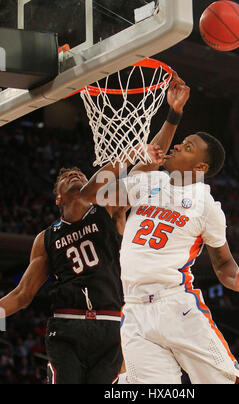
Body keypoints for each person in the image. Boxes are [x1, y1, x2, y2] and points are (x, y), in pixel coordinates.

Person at [0, 71, 187, 384]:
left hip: (110, 325)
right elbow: (21, 295)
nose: (75, 175)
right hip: (67, 325)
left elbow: (149, 163)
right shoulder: (45, 239)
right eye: (67, 177)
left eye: (79, 173)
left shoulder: (109, 206)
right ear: (58, 197)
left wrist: (174, 113)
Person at [95, 78, 239, 384]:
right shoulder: (149, 183)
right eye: (181, 141)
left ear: (199, 168)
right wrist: (173, 115)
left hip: (176, 306)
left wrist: (236, 280)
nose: (176, 147)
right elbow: (104, 193)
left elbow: (223, 263)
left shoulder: (206, 205)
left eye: (187, 147)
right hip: (134, 311)